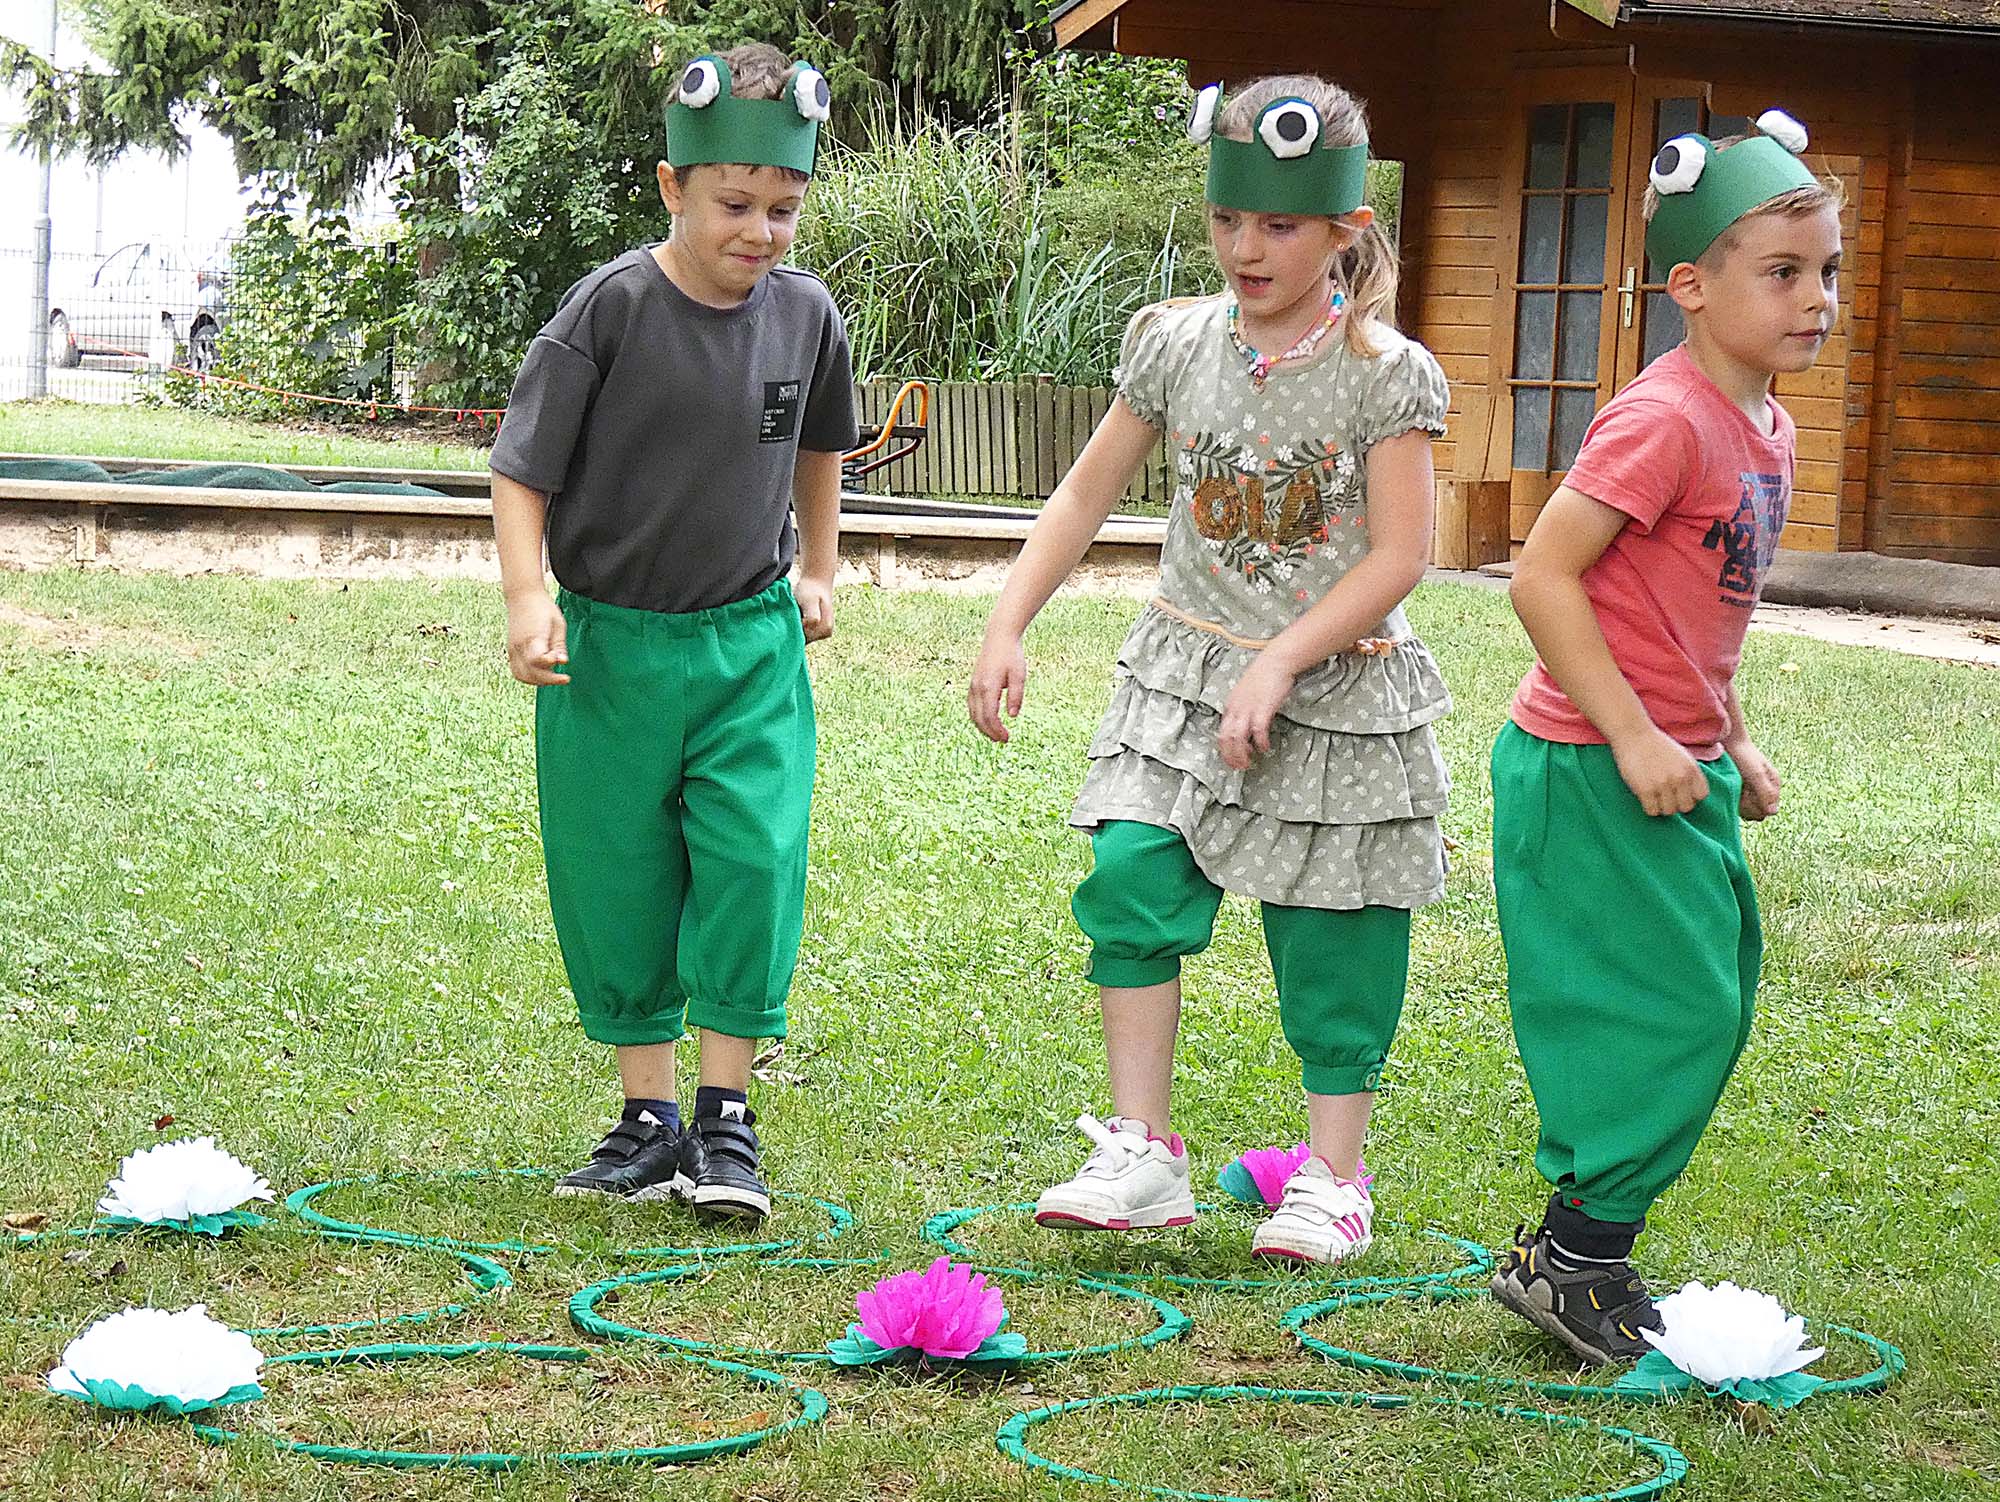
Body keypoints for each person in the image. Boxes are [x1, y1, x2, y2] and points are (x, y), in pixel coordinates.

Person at [968, 74, 1453, 1265]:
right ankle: (1142, 1151)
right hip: (1181, 672)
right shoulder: (1173, 342)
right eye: (1229, 219)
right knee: (1133, 868)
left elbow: (1400, 555)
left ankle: (1333, 1177)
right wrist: (1006, 620)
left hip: (1334, 692)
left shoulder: (1384, 371)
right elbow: (1085, 490)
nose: (1246, 245)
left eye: (1279, 224)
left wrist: (1284, 659)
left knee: (1330, 928)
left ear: (1342, 229)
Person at [1487, 110, 1842, 1362]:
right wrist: (1635, 733)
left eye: (1825, 273)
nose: (1814, 300)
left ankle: (1573, 1246)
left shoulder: (1766, 427)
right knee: (1666, 1006)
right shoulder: (1665, 418)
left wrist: (1725, 737)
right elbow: (1540, 576)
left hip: (1666, 755)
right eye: (1782, 272)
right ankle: (1577, 1256)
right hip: (1589, 762)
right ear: (1688, 284)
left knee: (1714, 987)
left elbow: (1696, 614)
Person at [487, 42, 857, 1221]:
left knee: (752, 859)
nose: (760, 230)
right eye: (734, 205)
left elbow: (819, 445)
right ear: (672, 187)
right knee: (618, 873)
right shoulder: (610, 308)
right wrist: (526, 595)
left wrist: (817, 565)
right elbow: (520, 469)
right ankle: (647, 1119)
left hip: (747, 645)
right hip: (609, 649)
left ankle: (723, 1119)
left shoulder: (804, 314)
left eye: (782, 208)